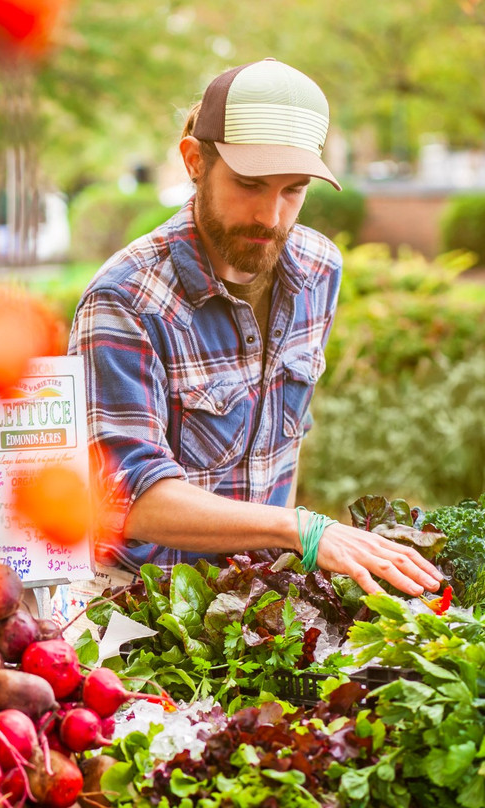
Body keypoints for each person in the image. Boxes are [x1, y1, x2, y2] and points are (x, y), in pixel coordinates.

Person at [67, 58, 441, 598]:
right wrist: (301, 530)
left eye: (293, 189)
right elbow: (131, 499)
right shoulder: (126, 299)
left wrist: (287, 560)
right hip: (137, 603)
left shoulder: (318, 270)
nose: (271, 215)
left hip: (258, 596)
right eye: (249, 184)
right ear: (194, 161)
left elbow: (278, 445)